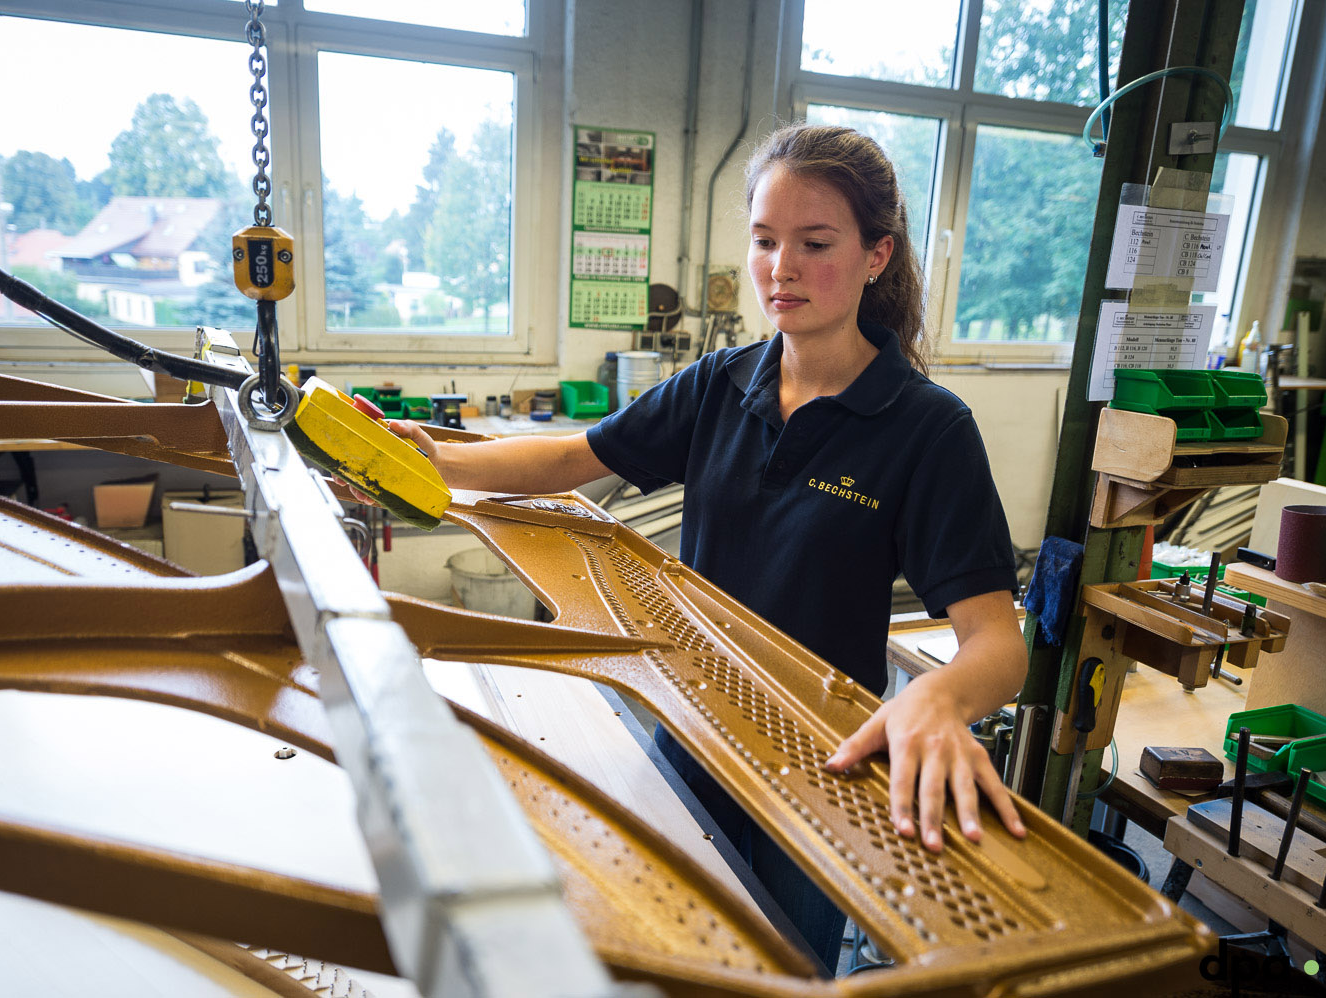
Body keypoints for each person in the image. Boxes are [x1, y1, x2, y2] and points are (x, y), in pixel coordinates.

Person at [386, 123, 1028, 975]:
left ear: (878, 254)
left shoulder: (926, 427)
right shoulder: (721, 386)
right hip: (690, 718)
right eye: (764, 241)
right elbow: (571, 459)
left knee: (782, 964)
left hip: (822, 760)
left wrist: (939, 698)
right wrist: (423, 462)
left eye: (815, 243)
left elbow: (998, 644)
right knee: (660, 941)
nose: (780, 268)